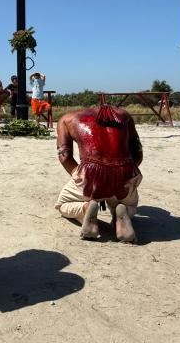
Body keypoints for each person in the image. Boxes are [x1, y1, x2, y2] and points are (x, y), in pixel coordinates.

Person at [54, 104, 143, 243]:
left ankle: (86, 209)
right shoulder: (124, 116)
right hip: (125, 173)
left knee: (62, 205)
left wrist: (78, 175)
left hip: (90, 175)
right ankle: (123, 210)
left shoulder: (67, 119)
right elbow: (138, 152)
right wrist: (128, 174)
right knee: (131, 206)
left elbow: (64, 156)